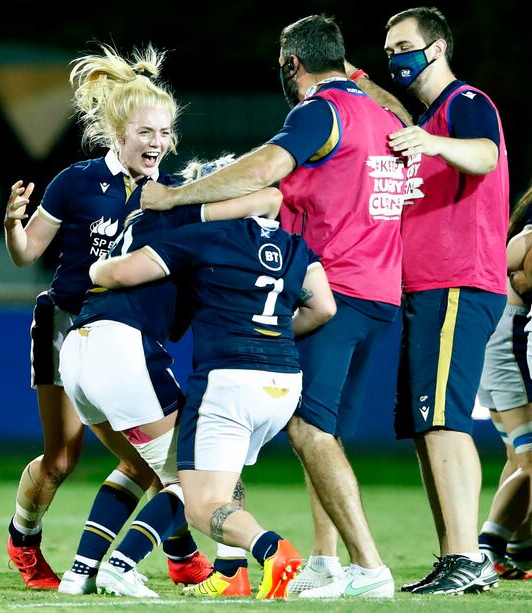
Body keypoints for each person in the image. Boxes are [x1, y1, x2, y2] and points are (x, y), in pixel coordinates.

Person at [141, 14, 403, 599]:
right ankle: (325, 563)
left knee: (309, 428)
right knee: (320, 429)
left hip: (338, 283)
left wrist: (176, 196)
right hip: (379, 288)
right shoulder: (380, 113)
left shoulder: (320, 110)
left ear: (293, 64)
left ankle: (367, 567)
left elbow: (268, 167)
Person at [3, 44, 206, 590]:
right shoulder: (76, 180)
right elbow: (26, 254)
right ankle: (24, 537)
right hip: (65, 323)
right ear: (119, 130)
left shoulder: (168, 193)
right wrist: (12, 227)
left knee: (149, 463)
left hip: (124, 332)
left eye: (165, 134)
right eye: (146, 132)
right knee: (61, 461)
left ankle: (168, 559)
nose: (157, 144)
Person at [57, 156, 283, 597]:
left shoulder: (153, 220)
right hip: (122, 346)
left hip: (81, 347)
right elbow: (270, 197)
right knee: (194, 477)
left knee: (137, 466)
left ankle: (80, 572)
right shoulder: (180, 208)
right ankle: (122, 565)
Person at [90, 211, 336, 600]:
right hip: (284, 382)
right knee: (226, 476)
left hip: (229, 380)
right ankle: (230, 573)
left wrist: (94, 269)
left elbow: (120, 274)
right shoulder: (295, 244)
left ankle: (274, 551)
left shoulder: (208, 235)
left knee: (201, 506)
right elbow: (323, 307)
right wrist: (270, 334)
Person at [380, 7, 508, 595]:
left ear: (436, 48)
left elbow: (485, 155)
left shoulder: (465, 102)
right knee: (426, 425)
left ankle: (469, 556)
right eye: (388, 48)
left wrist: (432, 142)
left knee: (445, 422)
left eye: (404, 45)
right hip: (425, 288)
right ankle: (451, 556)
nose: (395, 56)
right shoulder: (427, 120)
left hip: (458, 281)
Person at [476, 184, 532, 580]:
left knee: (518, 457)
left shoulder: (519, 237)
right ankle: (490, 548)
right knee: (530, 460)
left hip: (495, 342)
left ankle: (519, 548)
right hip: (509, 347)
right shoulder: (528, 241)